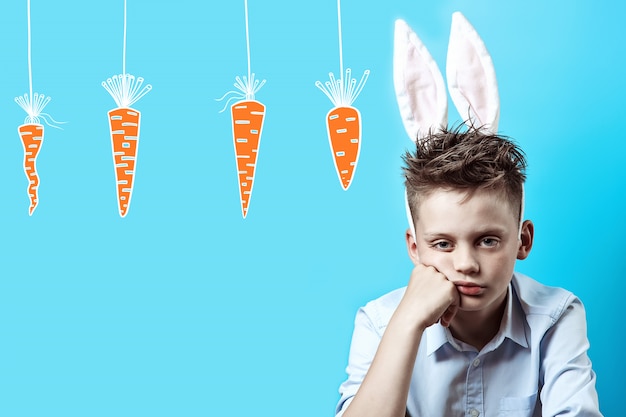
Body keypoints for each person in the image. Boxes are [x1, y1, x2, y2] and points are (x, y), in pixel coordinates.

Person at [335, 127, 602, 417]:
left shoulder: (554, 316)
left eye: (487, 241)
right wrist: (406, 324)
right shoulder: (379, 322)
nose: (465, 264)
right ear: (414, 248)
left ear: (522, 241)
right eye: (442, 244)